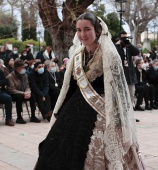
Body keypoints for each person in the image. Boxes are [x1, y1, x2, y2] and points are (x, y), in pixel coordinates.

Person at [34, 13, 145, 170]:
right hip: (75, 106)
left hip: (102, 109)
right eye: (79, 30)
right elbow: (71, 86)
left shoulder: (110, 55)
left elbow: (118, 90)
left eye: (87, 29)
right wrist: (59, 114)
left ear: (97, 30)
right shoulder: (77, 55)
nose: (82, 34)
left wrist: (119, 120)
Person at [7, 58, 40, 124]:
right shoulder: (10, 77)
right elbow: (12, 90)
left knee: (33, 95)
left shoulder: (25, 75)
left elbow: (27, 86)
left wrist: (28, 92)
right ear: (17, 68)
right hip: (15, 93)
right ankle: (19, 117)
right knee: (19, 96)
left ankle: (33, 116)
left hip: (24, 92)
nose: (24, 69)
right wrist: (23, 93)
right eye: (22, 67)